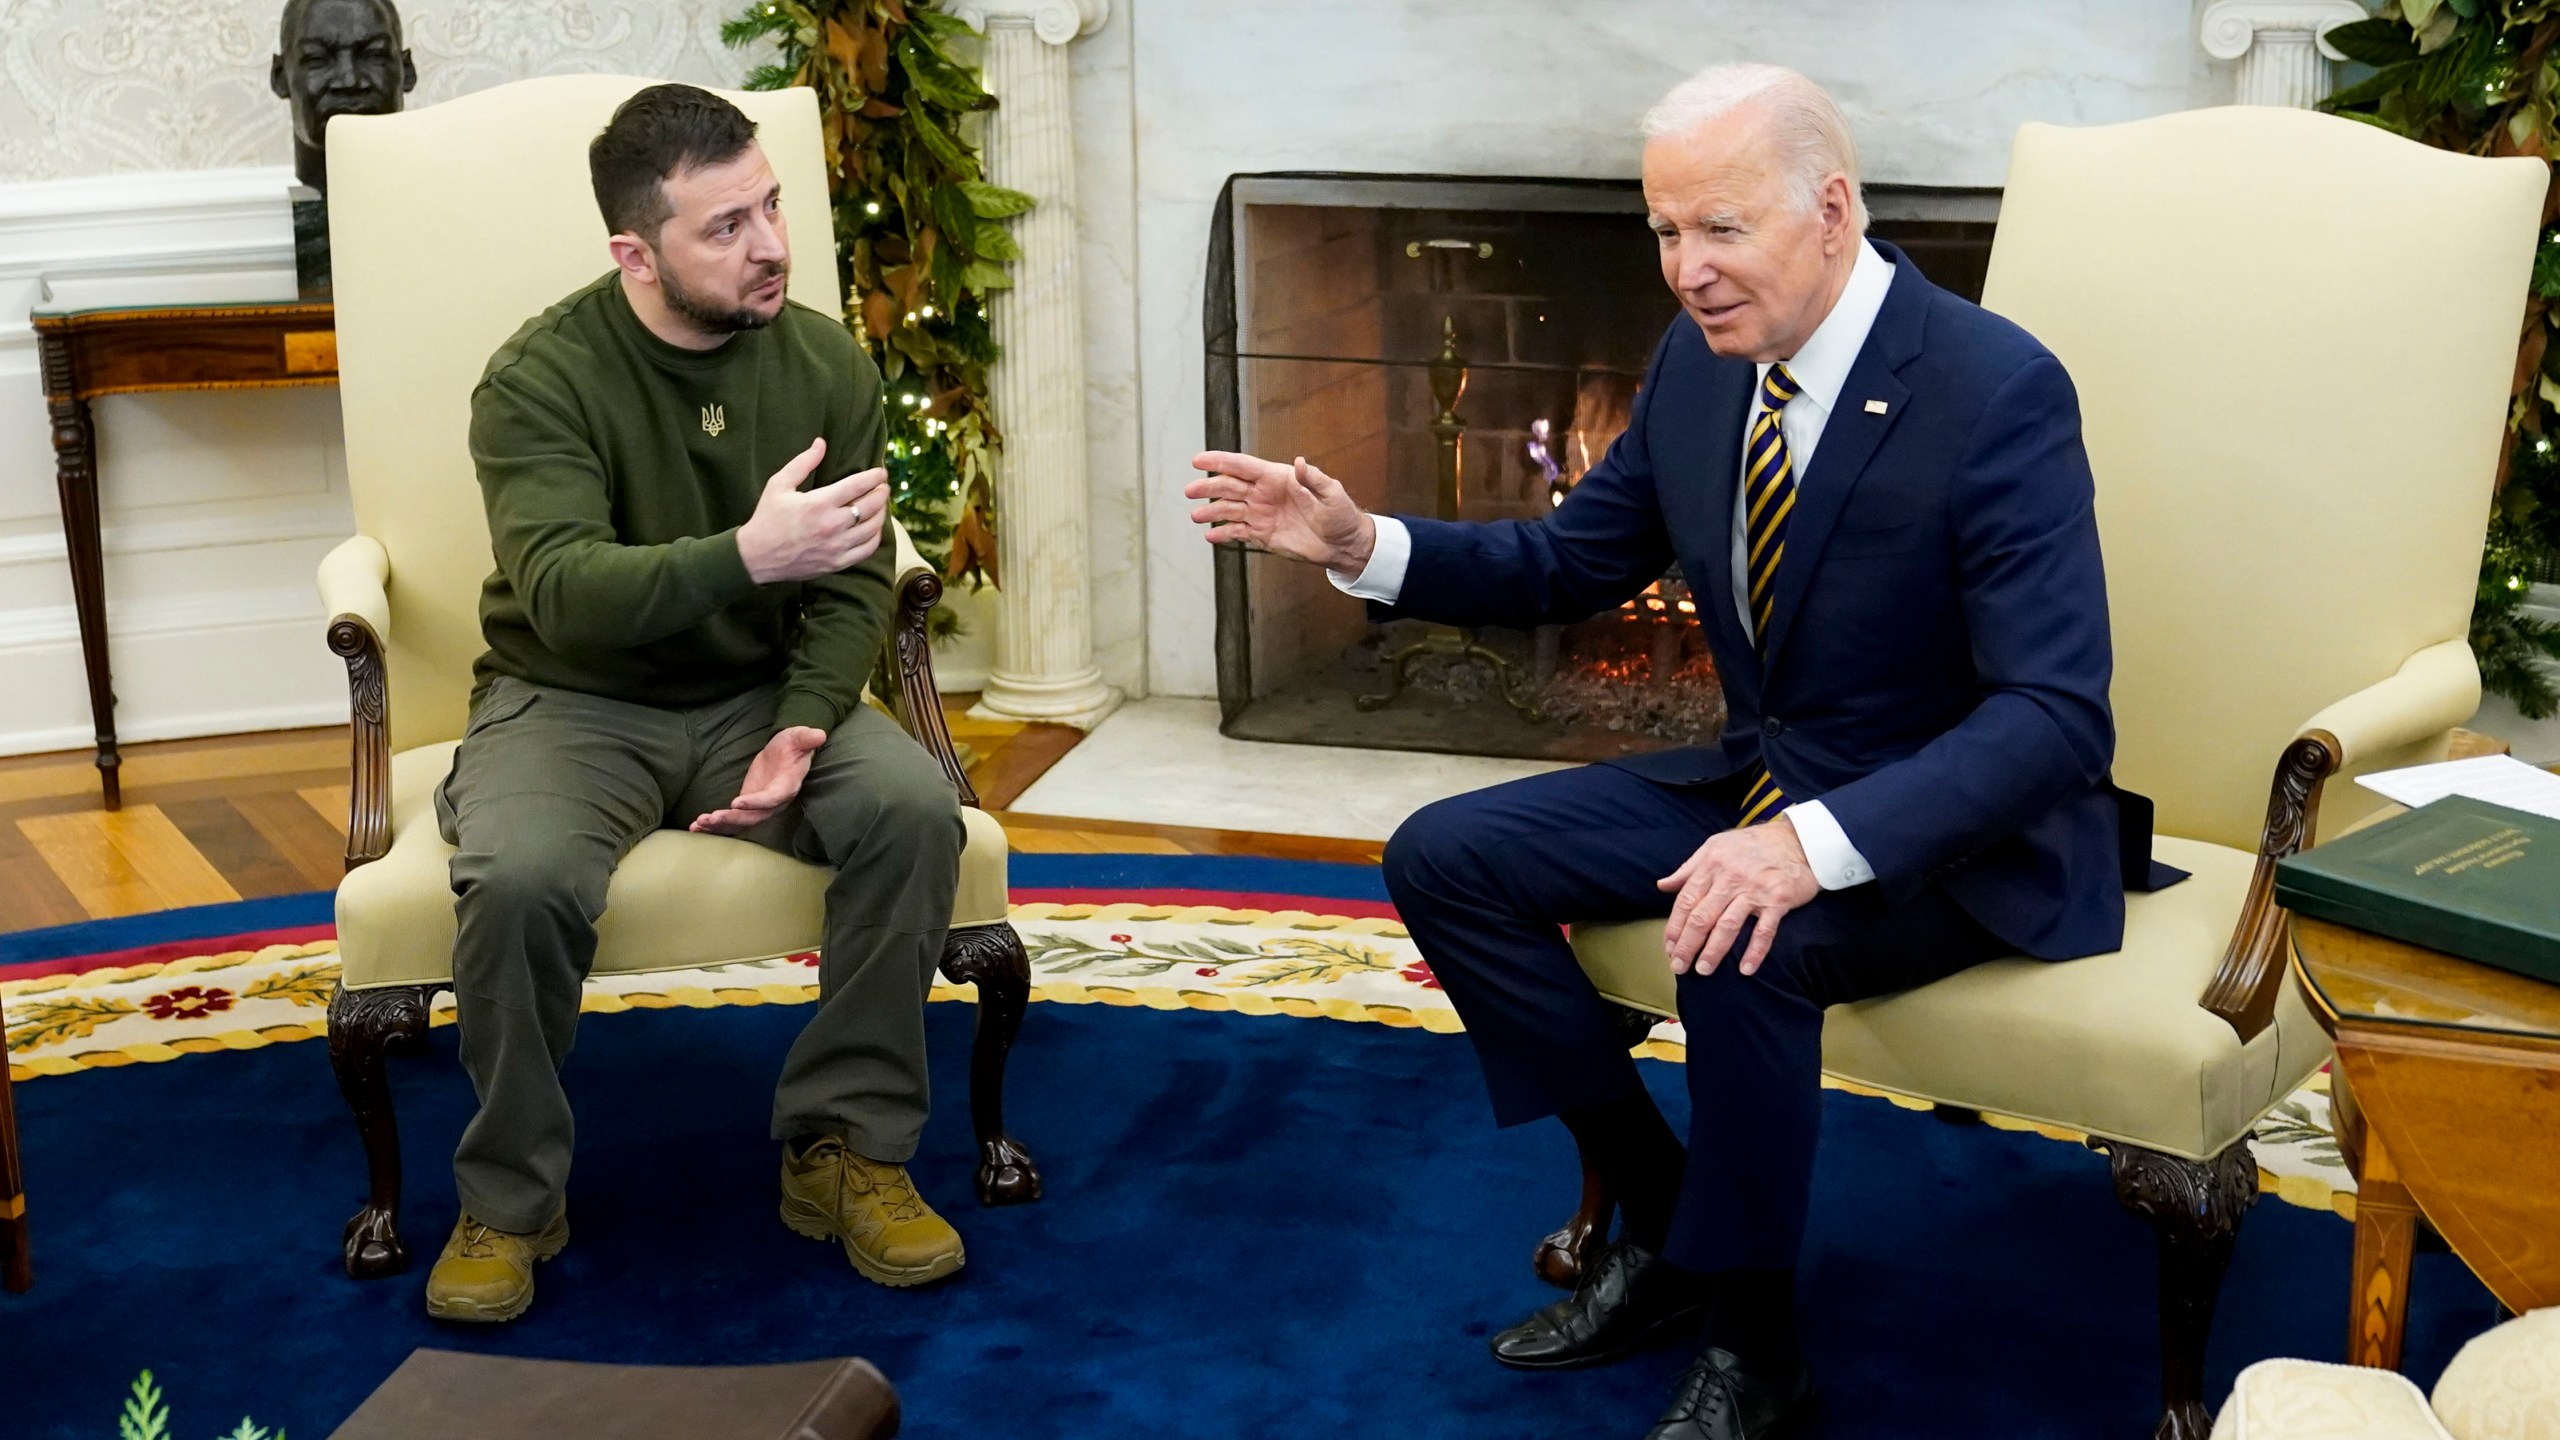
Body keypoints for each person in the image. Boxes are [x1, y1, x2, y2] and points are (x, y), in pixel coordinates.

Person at [1186, 63, 2175, 1440]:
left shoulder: (1994, 389)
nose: (1684, 271)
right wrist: (1365, 548)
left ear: (1831, 211)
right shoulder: (1701, 369)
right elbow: (1571, 559)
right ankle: (1663, 1226)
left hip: (1956, 830)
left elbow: (2055, 717)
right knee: (1449, 858)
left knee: (1741, 935)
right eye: (1664, 232)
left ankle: (1759, 1347)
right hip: (1765, 776)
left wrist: (1802, 850)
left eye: (1720, 229)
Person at [423, 83, 969, 1324]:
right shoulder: (539, 379)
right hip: (571, 698)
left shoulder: (827, 361)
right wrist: (746, 556)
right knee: (516, 879)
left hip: (760, 691)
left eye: (770, 207)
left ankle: (845, 1149)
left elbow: (849, 586)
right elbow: (559, 593)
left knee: (911, 811)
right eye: (725, 226)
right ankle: (510, 1196)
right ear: (636, 252)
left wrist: (808, 719)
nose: (771, 244)